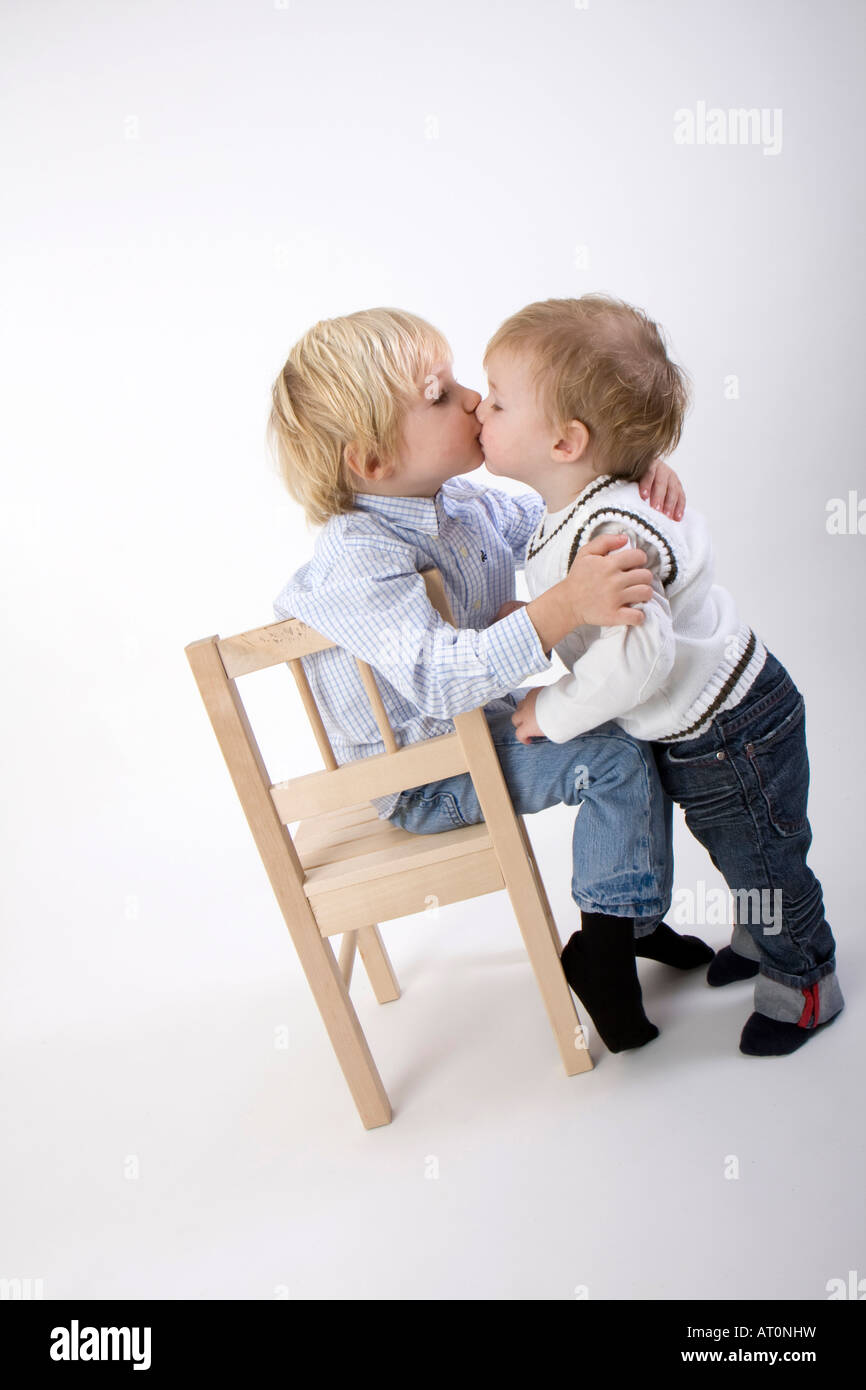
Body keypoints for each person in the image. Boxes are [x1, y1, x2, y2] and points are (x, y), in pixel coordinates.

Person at [268, 307, 710, 1054]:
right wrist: (558, 607)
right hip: (426, 774)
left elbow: (560, 514)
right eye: (440, 395)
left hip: (482, 733)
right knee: (614, 758)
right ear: (372, 461)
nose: (473, 399)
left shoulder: (462, 506)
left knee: (638, 725)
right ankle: (600, 954)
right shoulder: (358, 558)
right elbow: (440, 681)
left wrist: (628, 471)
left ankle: (626, 918)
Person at [477, 294, 843, 1057]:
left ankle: (804, 981)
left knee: (764, 856)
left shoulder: (614, 534)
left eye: (500, 400)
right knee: (738, 847)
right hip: (710, 728)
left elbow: (640, 661)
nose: (481, 406)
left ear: (567, 440)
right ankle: (756, 931)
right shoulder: (586, 496)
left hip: (731, 731)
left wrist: (556, 709)